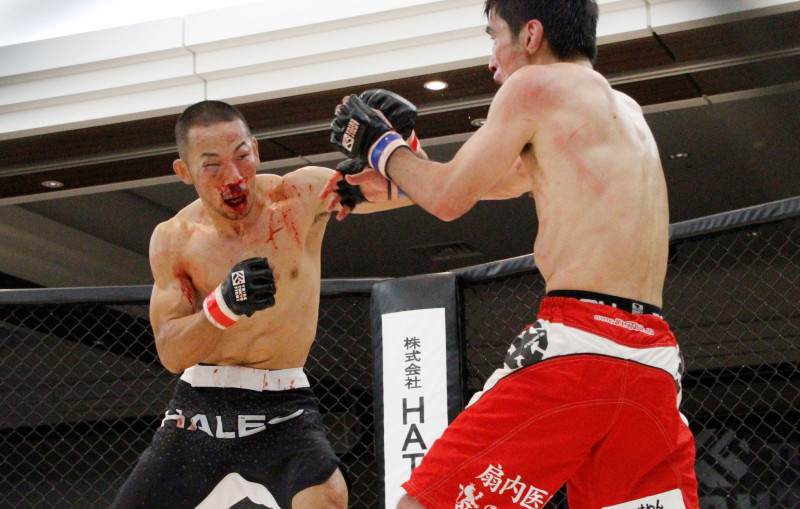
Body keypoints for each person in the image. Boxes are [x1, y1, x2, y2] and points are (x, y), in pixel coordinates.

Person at [323, 0, 700, 507]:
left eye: (493, 35)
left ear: (531, 35)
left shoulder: (533, 86)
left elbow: (449, 198)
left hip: (579, 349)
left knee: (426, 502)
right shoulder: (622, 110)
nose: (491, 60)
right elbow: (493, 182)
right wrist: (395, 174)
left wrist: (382, 145)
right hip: (652, 361)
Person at [111, 97, 413, 509]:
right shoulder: (175, 238)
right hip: (198, 412)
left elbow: (414, 192)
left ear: (255, 149)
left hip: (282, 408)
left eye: (242, 156)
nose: (234, 177)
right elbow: (171, 352)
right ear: (184, 172)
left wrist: (399, 148)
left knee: (327, 498)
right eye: (212, 166)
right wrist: (223, 306)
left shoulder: (302, 196)